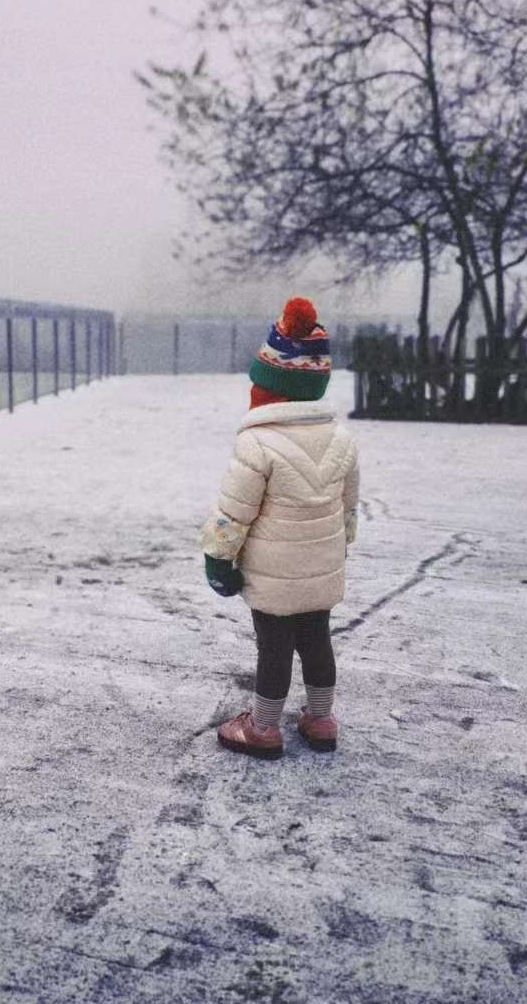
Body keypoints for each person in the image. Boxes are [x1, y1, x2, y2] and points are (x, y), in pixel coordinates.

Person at [199, 297, 361, 759]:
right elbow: (349, 508)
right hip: (322, 566)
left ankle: (264, 728)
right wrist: (339, 549)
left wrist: (218, 558)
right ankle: (321, 718)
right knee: (317, 638)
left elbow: (235, 513)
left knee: (274, 646)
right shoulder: (342, 439)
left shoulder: (257, 443)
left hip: (273, 573)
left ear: (270, 387)